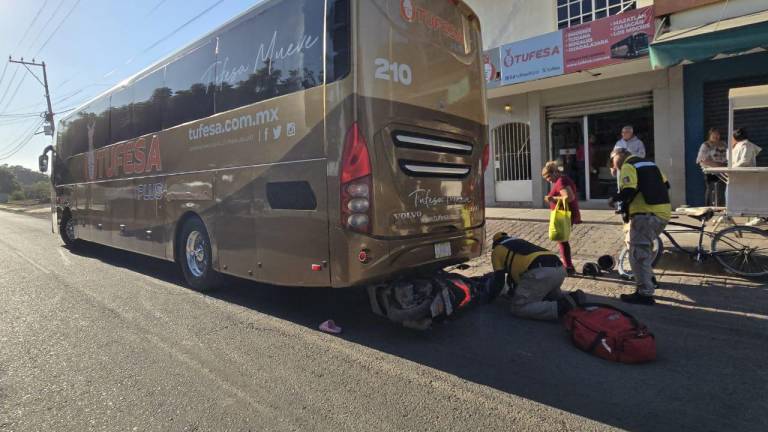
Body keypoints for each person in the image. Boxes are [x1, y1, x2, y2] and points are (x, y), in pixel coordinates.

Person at [609, 148, 671, 305]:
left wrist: (613, 199)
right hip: (661, 212)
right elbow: (666, 185)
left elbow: (628, 190)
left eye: (613, 161)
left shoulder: (628, 165)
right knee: (644, 250)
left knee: (638, 254)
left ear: (620, 155)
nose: (614, 166)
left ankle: (644, 293)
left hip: (646, 214)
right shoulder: (650, 164)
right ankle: (650, 279)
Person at [486, 232, 586, 320]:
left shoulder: (497, 251)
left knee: (518, 307)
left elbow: (499, 280)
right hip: (559, 268)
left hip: (540, 272)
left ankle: (561, 307)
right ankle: (572, 298)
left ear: (495, 243)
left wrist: (489, 298)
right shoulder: (517, 243)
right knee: (548, 296)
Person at [542, 161, 581, 275]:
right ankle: (568, 266)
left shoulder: (561, 181)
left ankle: (568, 267)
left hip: (564, 215)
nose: (548, 180)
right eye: (546, 178)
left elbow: (569, 197)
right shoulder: (562, 180)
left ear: (554, 172)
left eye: (548, 177)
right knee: (562, 241)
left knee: (562, 241)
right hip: (564, 214)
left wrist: (552, 198)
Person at [730, 128, 766, 226]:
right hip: (739, 176)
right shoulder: (737, 146)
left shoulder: (747, 145)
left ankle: (760, 217)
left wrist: (731, 168)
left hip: (747, 175)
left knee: (752, 196)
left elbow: (744, 161)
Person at [696, 128, 727, 207]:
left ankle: (721, 207)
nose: (716, 136)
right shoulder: (706, 145)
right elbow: (701, 160)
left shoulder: (724, 144)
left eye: (718, 134)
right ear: (710, 135)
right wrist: (717, 165)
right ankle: (709, 207)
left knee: (722, 190)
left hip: (724, 172)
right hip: (711, 172)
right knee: (711, 189)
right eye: (714, 134)